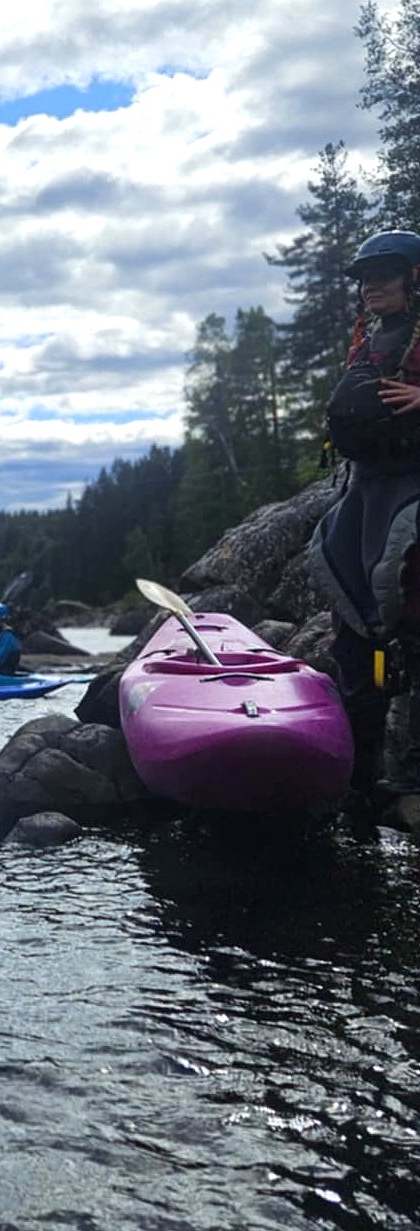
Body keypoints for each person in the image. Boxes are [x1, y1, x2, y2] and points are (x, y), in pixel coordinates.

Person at [308, 228, 420, 832]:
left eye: (386, 272)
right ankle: (361, 780)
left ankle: (411, 780)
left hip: (414, 494)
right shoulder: (368, 342)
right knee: (354, 630)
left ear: (414, 278)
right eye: (366, 276)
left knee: (412, 627)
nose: (372, 284)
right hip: (365, 496)